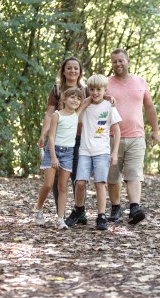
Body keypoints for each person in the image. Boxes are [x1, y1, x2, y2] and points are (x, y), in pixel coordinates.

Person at [106, 48, 159, 225]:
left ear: (127, 61)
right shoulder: (106, 84)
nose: (118, 64)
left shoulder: (140, 82)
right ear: (111, 64)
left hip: (136, 136)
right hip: (111, 137)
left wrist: (155, 130)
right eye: (114, 61)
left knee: (134, 174)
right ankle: (115, 208)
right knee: (113, 176)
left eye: (121, 60)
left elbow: (149, 107)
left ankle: (135, 208)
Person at [65, 74, 122, 230]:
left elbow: (117, 130)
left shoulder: (109, 106)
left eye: (99, 89)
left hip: (102, 151)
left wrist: (115, 152)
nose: (95, 93)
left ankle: (101, 215)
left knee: (99, 184)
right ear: (88, 90)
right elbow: (73, 119)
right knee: (80, 182)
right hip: (85, 150)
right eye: (92, 89)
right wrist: (84, 103)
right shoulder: (85, 106)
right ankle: (78, 209)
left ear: (105, 90)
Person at [33, 87, 91, 229]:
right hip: (53, 151)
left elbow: (90, 99)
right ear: (64, 99)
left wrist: (108, 98)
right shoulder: (57, 115)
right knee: (48, 184)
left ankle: (60, 219)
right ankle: (38, 209)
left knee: (63, 187)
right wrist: (53, 157)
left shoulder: (77, 114)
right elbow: (51, 137)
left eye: (78, 98)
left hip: (68, 153)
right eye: (72, 97)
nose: (75, 100)